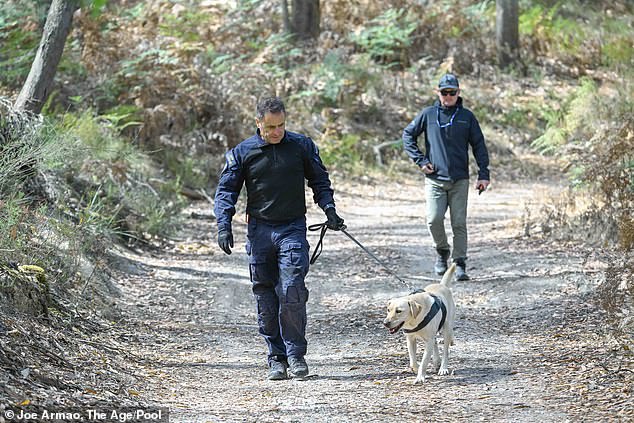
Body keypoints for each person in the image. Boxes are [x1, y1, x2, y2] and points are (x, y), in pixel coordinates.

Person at [213, 96, 345, 381]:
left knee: (292, 290)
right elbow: (227, 191)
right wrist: (224, 224)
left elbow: (320, 181)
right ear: (258, 123)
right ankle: (276, 356)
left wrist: (329, 209)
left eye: (281, 125)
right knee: (265, 296)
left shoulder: (301, 146)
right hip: (260, 231)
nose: (277, 132)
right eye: (270, 126)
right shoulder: (242, 152)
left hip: (292, 228)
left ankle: (296, 354)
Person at [402, 73, 490, 281]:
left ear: (458, 93)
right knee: (433, 220)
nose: (448, 96)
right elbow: (408, 136)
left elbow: (479, 146)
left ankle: (459, 263)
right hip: (435, 180)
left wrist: (483, 174)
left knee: (459, 223)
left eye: (452, 92)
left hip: (460, 179)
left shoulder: (467, 117)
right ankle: (442, 252)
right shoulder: (428, 114)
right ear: (438, 92)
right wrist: (421, 161)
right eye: (444, 92)